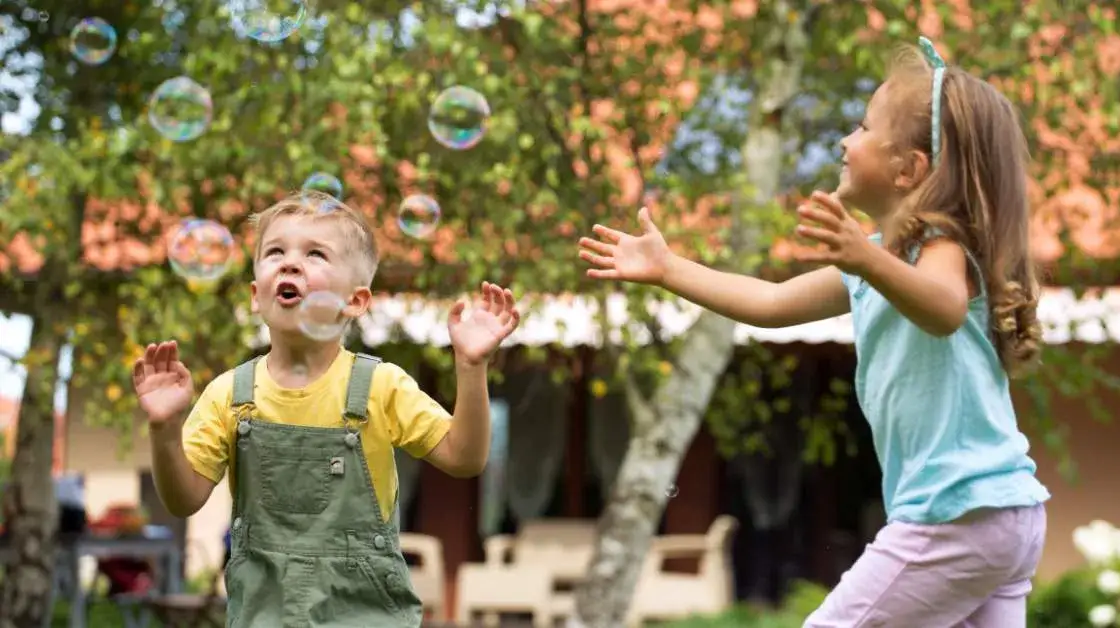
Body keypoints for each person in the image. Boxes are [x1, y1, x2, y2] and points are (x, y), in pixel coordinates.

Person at [579, 36, 1048, 627]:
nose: (845, 141)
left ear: (908, 169)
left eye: (861, 127)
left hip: (957, 513)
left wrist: (863, 258)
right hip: (1000, 517)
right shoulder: (876, 260)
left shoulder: (940, 246)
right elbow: (770, 302)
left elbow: (945, 308)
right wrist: (670, 270)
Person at [133, 192, 520, 626]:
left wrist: (470, 368)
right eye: (275, 251)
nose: (290, 262)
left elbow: (465, 460)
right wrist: (165, 428)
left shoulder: (380, 386)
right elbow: (184, 499)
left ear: (355, 301)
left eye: (315, 254)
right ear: (256, 295)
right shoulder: (230, 394)